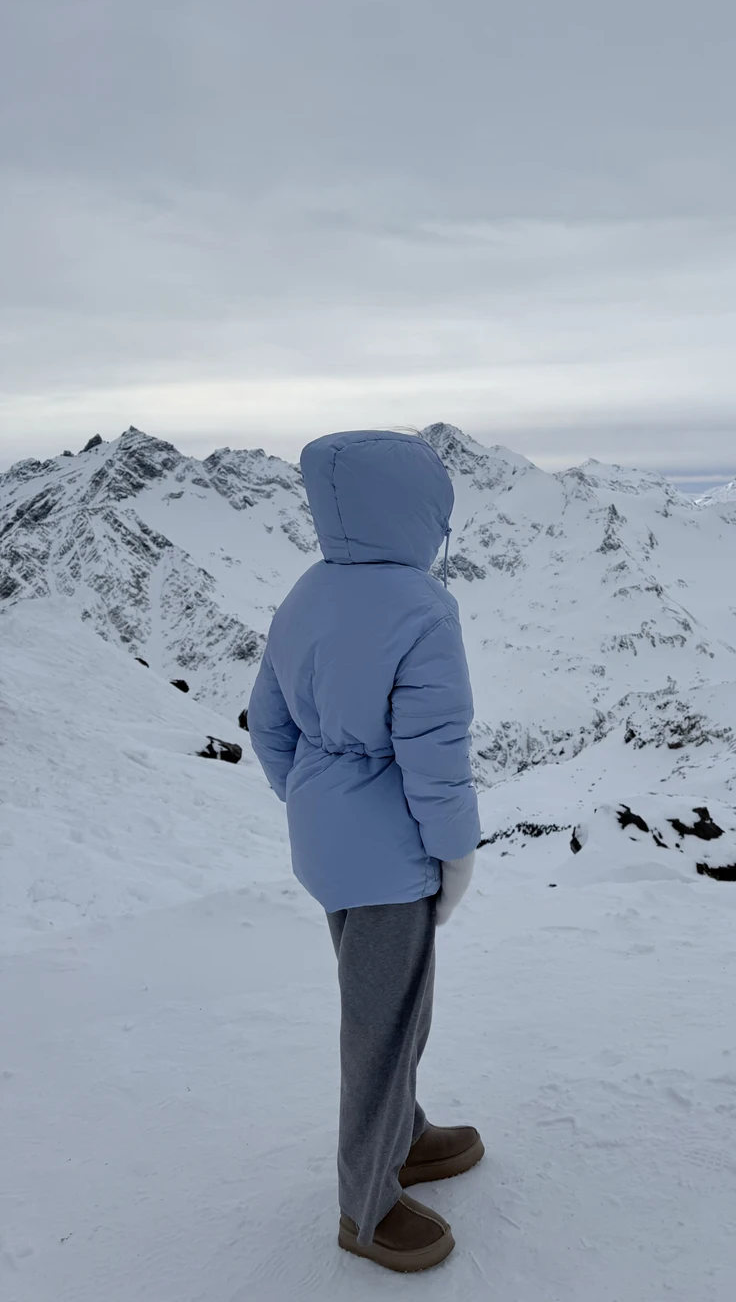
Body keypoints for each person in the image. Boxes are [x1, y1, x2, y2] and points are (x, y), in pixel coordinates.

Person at [246, 429, 483, 1273]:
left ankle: (408, 1136)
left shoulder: (306, 593)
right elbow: (435, 756)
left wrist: (316, 801)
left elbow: (267, 725)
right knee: (382, 1027)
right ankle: (367, 1208)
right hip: (392, 853)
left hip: (327, 841)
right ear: (420, 512)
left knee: (390, 1006)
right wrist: (456, 857)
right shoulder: (422, 609)